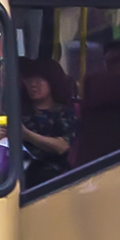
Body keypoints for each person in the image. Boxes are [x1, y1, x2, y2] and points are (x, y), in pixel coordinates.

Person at [19, 58, 77, 188]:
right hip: (16, 172)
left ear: (52, 82)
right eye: (29, 80)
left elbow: (62, 146)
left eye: (40, 80)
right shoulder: (18, 112)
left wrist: (26, 135)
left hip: (52, 176)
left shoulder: (64, 113)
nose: (33, 85)